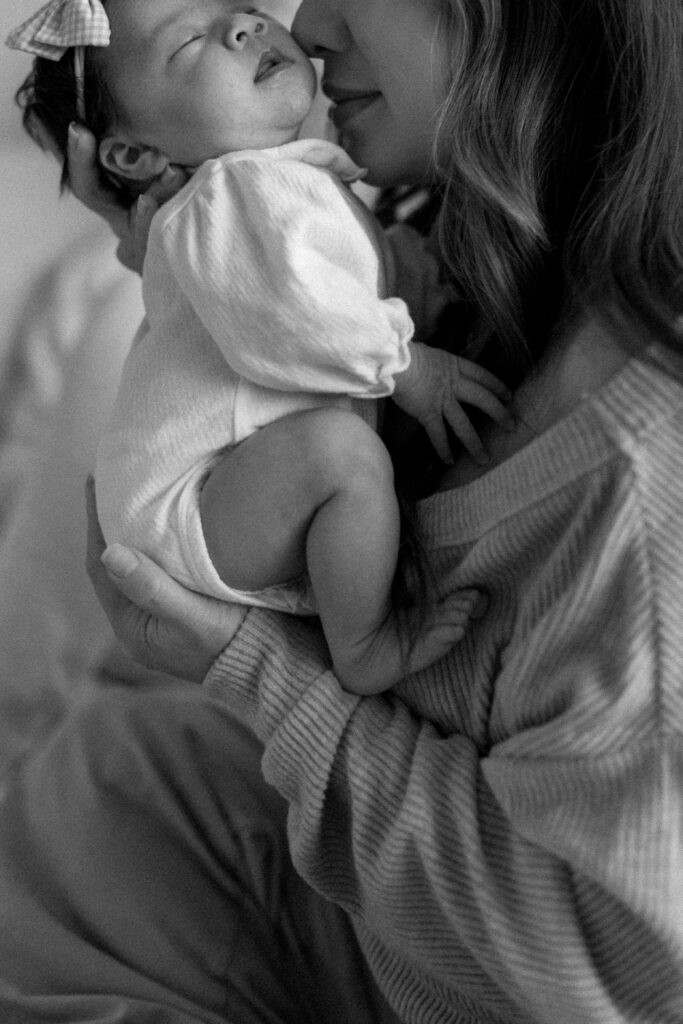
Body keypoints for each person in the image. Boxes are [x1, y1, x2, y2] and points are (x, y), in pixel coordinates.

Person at [1, 0, 683, 1021]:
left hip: (493, 970)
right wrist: (173, 245)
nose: (302, 23)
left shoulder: (632, 482)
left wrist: (274, 679)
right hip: (366, 898)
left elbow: (608, 970)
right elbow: (276, 310)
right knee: (107, 778)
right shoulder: (459, 226)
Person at [8, 0, 510, 694]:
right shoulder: (229, 193)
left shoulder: (277, 186)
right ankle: (363, 645)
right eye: (188, 45)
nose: (243, 28)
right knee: (340, 455)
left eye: (240, 11)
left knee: (340, 456)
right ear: (128, 155)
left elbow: (333, 282)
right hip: (191, 496)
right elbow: (292, 317)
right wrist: (406, 363)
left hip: (226, 485)